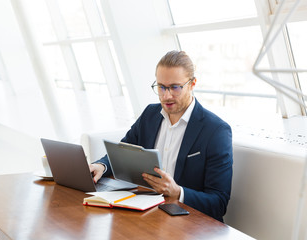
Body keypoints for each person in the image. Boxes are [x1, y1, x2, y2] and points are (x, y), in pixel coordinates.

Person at [89, 50, 233, 222]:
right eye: (161, 87)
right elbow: (123, 150)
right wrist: (102, 166)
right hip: (147, 213)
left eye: (175, 87)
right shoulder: (150, 114)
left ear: (192, 84)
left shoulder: (216, 131)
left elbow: (218, 203)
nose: (166, 96)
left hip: (188, 222)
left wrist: (177, 192)